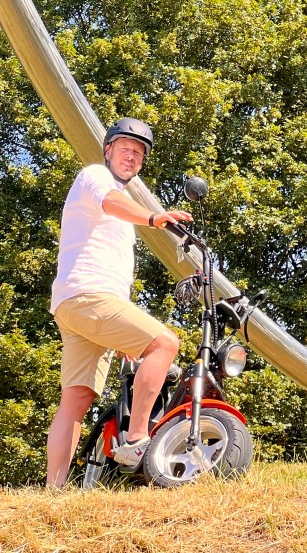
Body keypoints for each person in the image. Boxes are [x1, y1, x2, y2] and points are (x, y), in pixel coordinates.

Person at [47, 118, 194, 487]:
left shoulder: (120, 211)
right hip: (88, 295)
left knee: (76, 400)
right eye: (126, 148)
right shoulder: (95, 176)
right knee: (165, 343)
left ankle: (54, 489)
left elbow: (115, 271)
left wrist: (125, 338)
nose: (132, 157)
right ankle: (135, 439)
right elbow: (112, 202)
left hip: (82, 302)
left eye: (139, 154)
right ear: (108, 150)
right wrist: (154, 217)